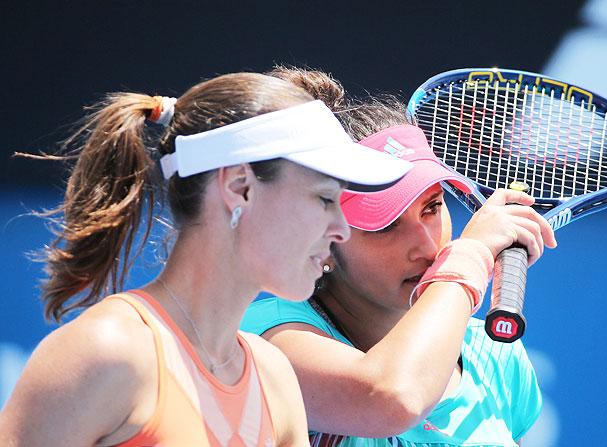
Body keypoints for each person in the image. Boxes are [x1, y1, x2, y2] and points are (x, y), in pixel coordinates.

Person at [0, 72, 411, 447]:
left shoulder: (275, 378)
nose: (341, 229)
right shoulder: (107, 352)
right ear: (239, 187)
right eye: (324, 198)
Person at [241, 67, 558, 447]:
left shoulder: (496, 356)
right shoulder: (264, 341)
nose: (426, 246)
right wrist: (469, 257)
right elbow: (391, 397)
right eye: (385, 224)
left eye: (432, 207)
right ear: (324, 238)